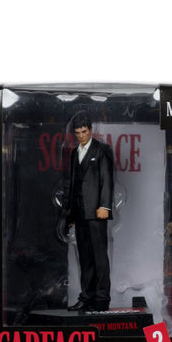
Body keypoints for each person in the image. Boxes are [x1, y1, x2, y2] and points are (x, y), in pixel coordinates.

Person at [65, 112, 114, 312]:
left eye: (84, 132)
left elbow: (107, 179)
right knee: (85, 257)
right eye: (77, 133)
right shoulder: (74, 153)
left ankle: (102, 298)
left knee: (100, 257)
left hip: (96, 212)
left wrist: (105, 206)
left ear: (91, 131)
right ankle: (87, 296)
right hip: (79, 213)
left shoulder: (102, 150)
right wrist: (70, 214)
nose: (81, 136)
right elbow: (72, 184)